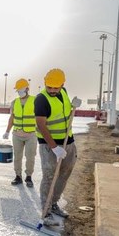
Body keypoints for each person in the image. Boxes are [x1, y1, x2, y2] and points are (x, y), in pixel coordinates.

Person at [34, 68, 81, 226]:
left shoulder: (64, 93)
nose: (53, 90)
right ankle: (45, 211)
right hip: (49, 145)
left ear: (62, 84)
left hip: (68, 142)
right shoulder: (41, 99)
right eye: (49, 87)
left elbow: (65, 114)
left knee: (64, 174)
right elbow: (41, 125)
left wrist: (74, 106)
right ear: (45, 83)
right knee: (49, 175)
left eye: (56, 87)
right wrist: (54, 147)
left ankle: (53, 204)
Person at [3, 78, 37, 187]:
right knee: (17, 156)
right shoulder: (14, 102)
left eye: (21, 89)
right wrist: (7, 131)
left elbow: (40, 117)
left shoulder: (35, 100)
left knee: (30, 156)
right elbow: (11, 118)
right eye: (18, 90)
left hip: (31, 134)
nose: (19, 91)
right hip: (17, 134)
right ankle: (18, 176)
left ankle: (29, 177)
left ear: (27, 88)